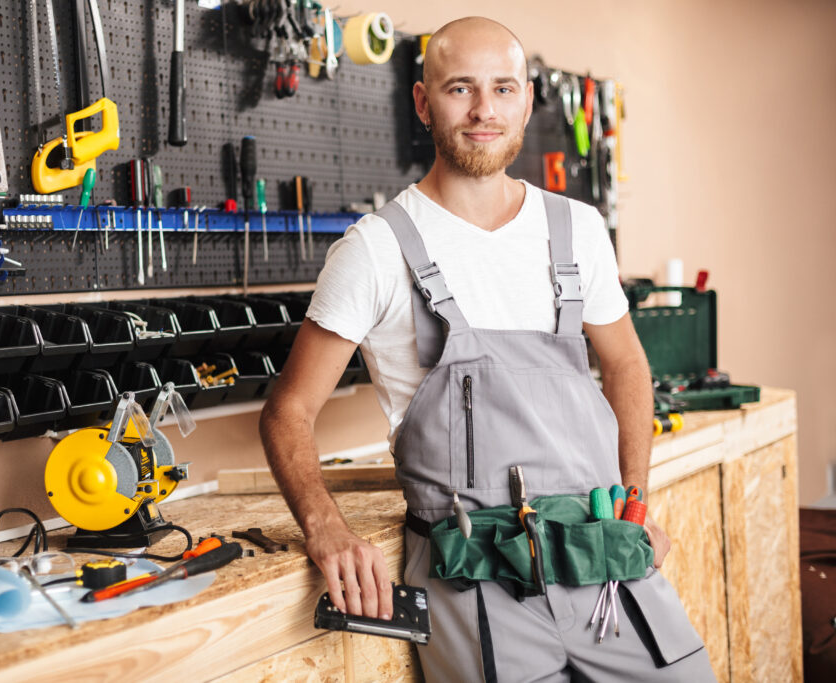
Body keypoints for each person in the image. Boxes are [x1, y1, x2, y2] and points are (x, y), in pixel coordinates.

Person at [259, 16, 715, 682]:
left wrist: (635, 501)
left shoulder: (577, 230)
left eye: (503, 89)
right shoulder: (377, 249)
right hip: (472, 574)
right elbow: (287, 411)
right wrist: (325, 526)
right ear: (423, 102)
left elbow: (626, 365)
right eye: (459, 89)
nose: (484, 111)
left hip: (601, 555)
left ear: (527, 100)